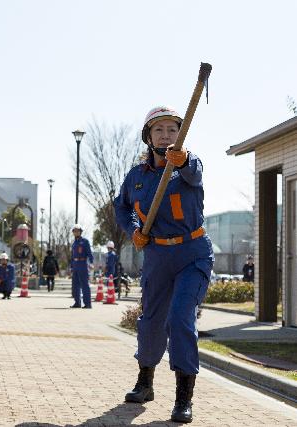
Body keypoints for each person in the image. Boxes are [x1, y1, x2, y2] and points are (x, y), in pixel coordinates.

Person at [114, 106, 214, 423]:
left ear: (180, 134)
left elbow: (194, 172)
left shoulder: (187, 164)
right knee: (151, 321)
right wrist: (133, 231)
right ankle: (145, 382)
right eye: (159, 130)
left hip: (192, 253)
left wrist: (181, 160)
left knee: (180, 319)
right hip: (157, 256)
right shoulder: (136, 176)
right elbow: (122, 208)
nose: (166, 135)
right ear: (148, 137)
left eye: (172, 129)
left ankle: (184, 398)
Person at [70, 224, 94, 308]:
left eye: (77, 230)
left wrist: (91, 262)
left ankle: (88, 303)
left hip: (83, 264)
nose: (76, 232)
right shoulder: (74, 243)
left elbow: (89, 253)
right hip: (75, 265)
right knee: (75, 285)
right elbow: (72, 256)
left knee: (84, 285)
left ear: (80, 232)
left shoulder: (85, 241)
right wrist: (71, 267)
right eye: (74, 231)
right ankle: (77, 302)